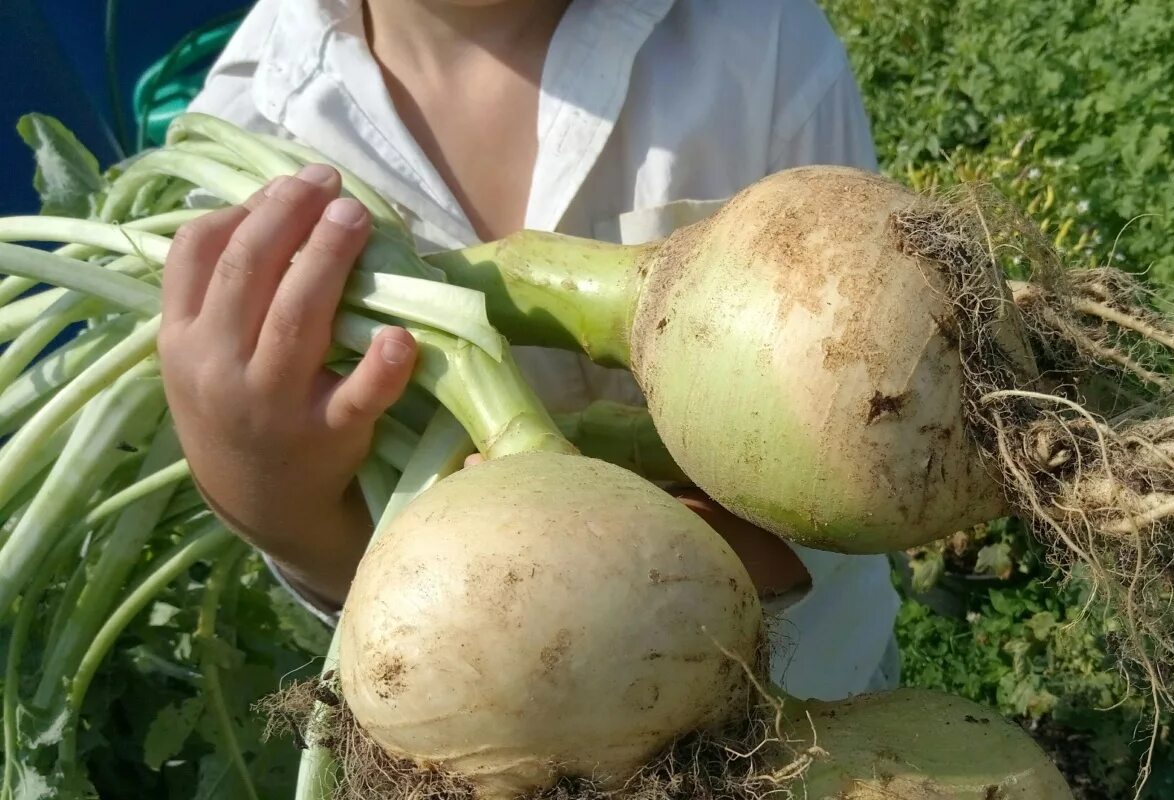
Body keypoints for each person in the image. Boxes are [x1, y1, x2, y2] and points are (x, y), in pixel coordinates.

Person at [163, 0, 901, 701]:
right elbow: (381, 607)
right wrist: (277, 511)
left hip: (827, 680)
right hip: (502, 721)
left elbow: (869, 379)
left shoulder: (759, 40)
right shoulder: (243, 149)